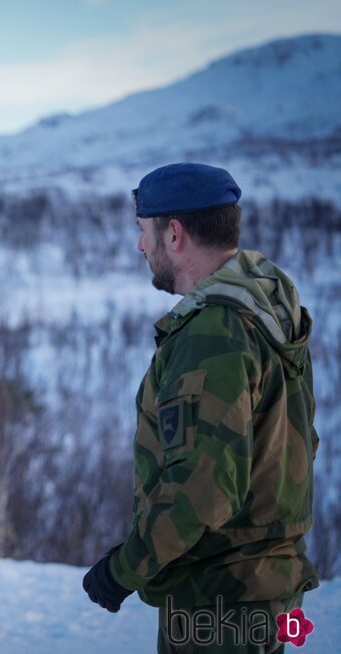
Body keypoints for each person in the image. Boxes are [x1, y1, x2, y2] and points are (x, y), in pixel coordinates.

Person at [83, 163, 319, 653]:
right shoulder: (265, 305)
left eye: (143, 232)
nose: (140, 247)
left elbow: (203, 488)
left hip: (219, 602)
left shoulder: (214, 331)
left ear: (174, 233)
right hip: (265, 588)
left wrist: (123, 569)